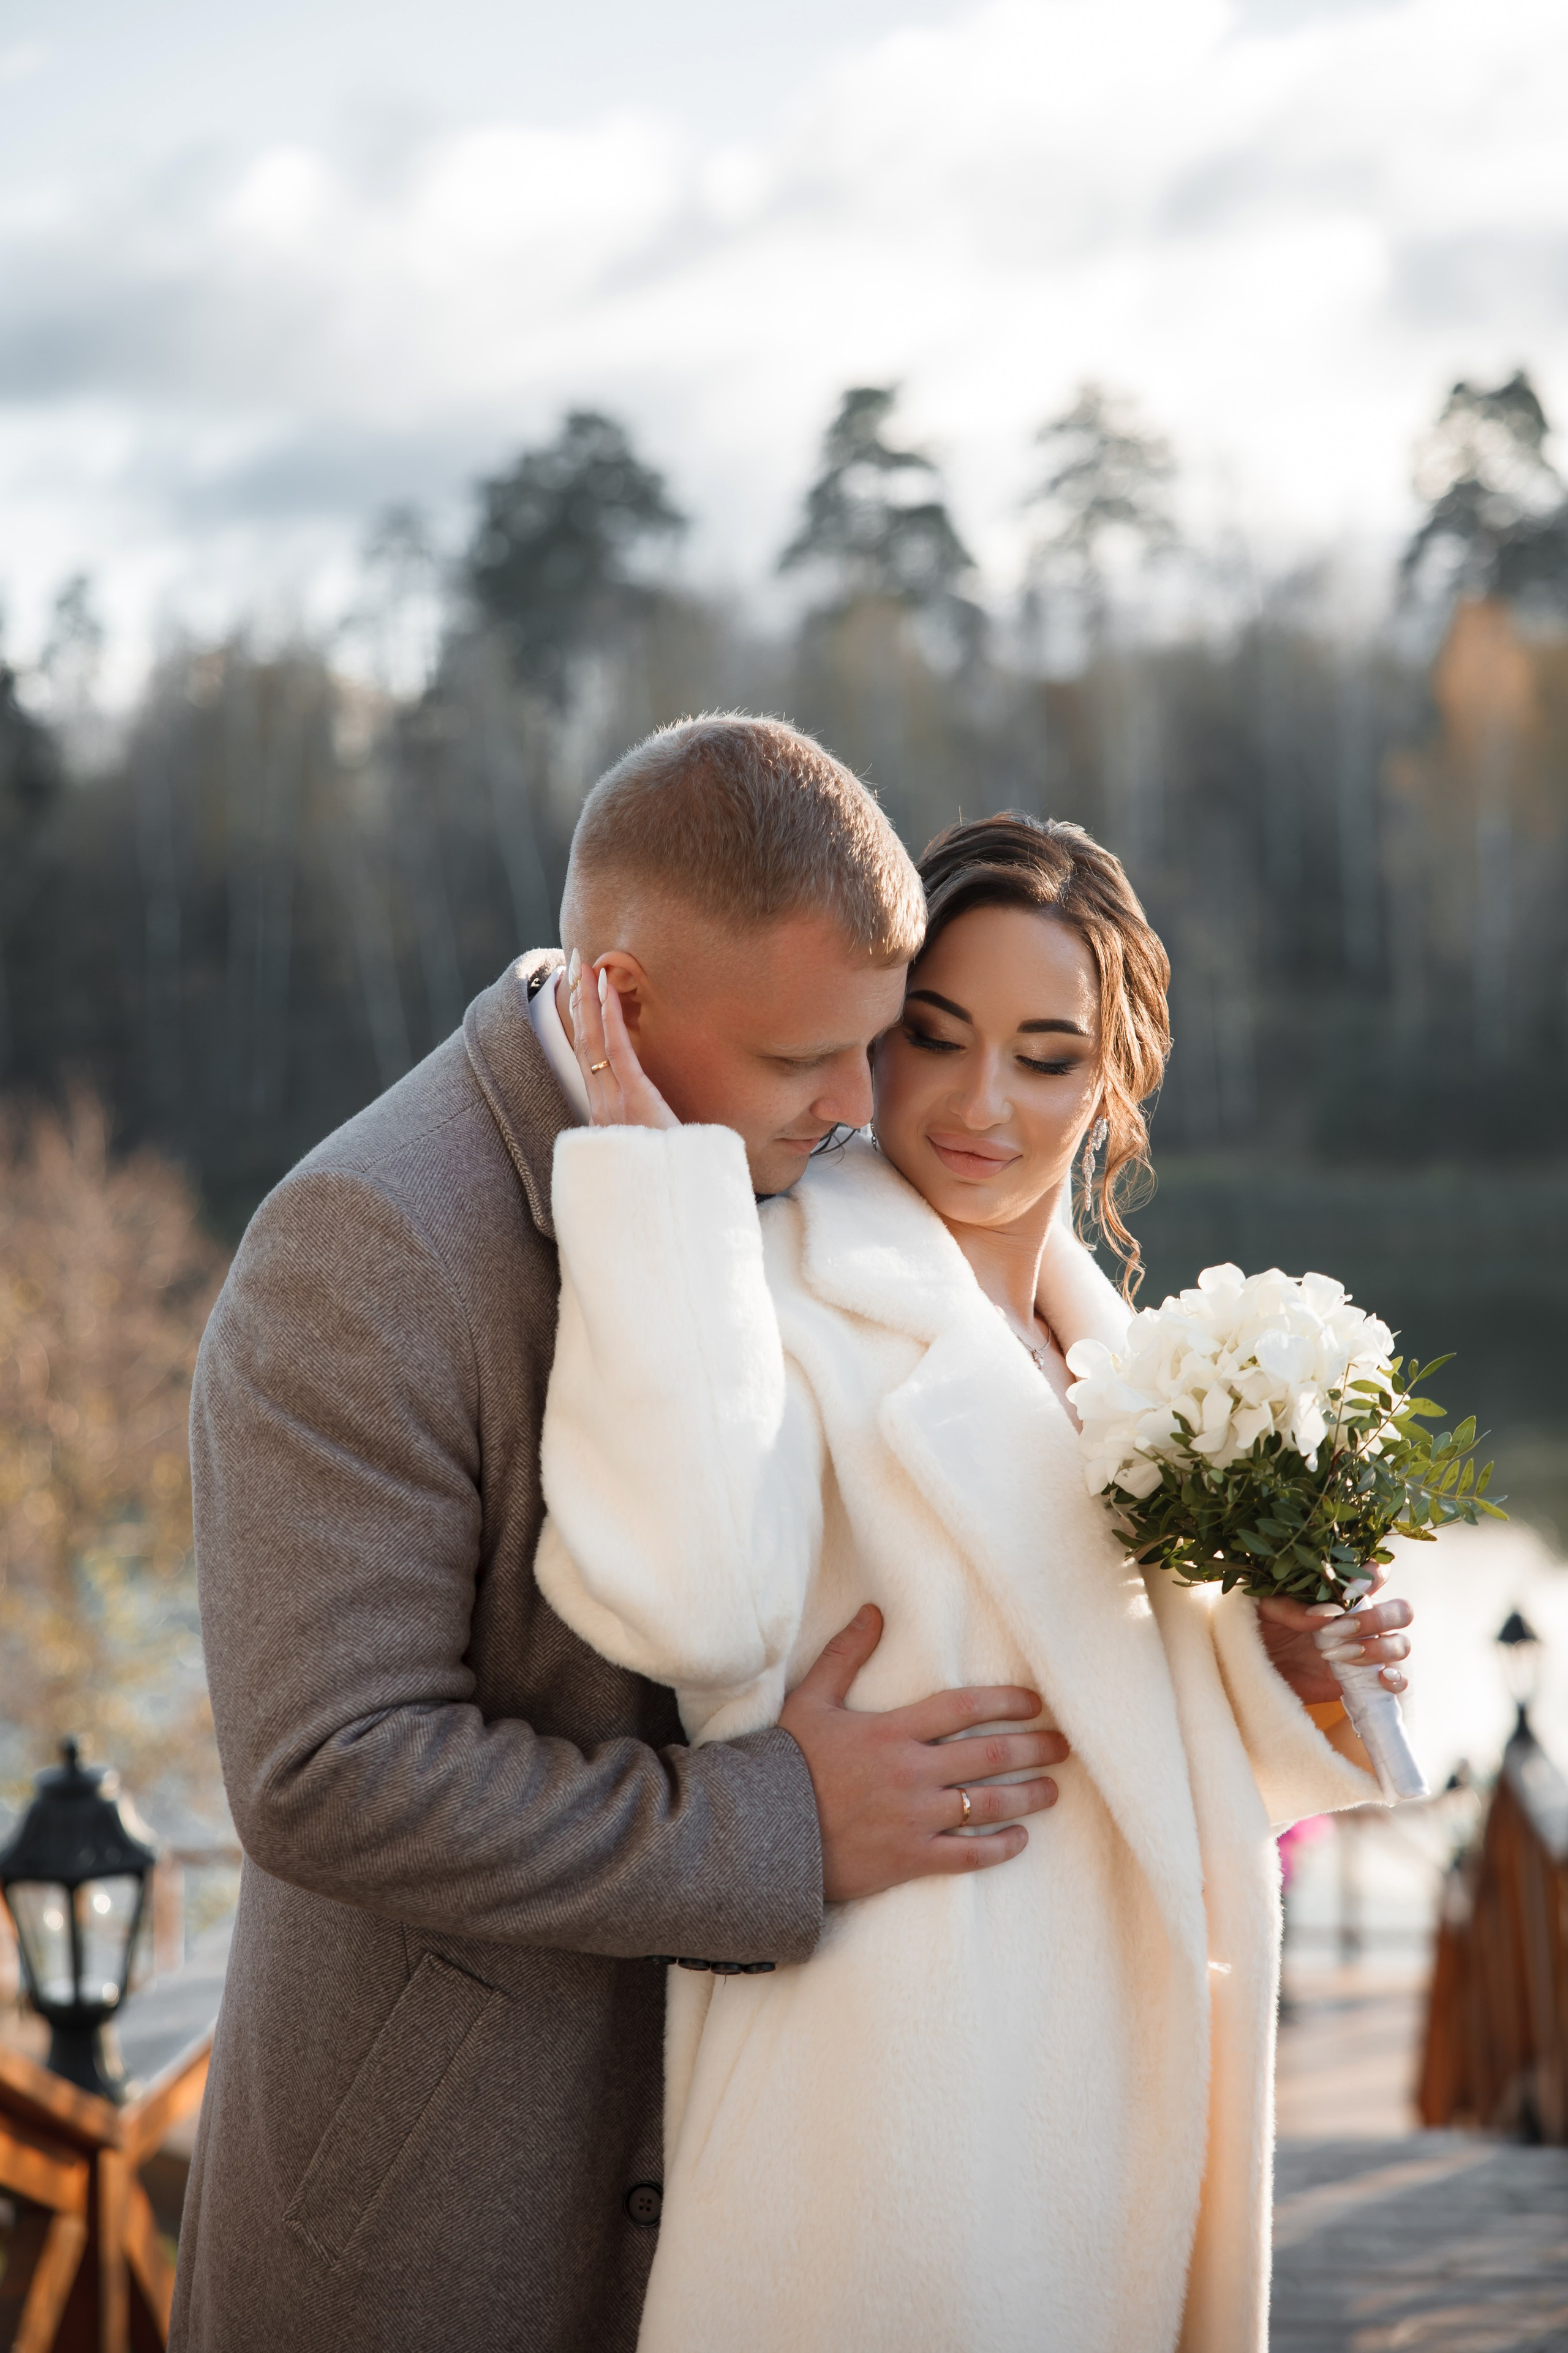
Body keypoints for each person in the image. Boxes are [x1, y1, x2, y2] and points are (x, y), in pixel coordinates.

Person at [170, 719, 1076, 2353]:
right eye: (808, 1059)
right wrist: (780, 1825)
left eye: (874, 1043)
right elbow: (329, 1770)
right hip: (447, 2210)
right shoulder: (368, 1249)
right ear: (626, 1002)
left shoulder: (803, 1150)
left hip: (770, 2198)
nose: (860, 1105)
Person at [537, 812, 1415, 2353]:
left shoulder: (1119, 1367)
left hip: (1107, 2109)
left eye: (1046, 1053)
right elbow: (680, 1602)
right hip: (891, 2122)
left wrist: (1287, 1654)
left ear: (1114, 1077)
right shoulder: (769, 1292)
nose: (980, 1105)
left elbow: (1151, 1749)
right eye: (932, 1038)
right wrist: (642, 1176)